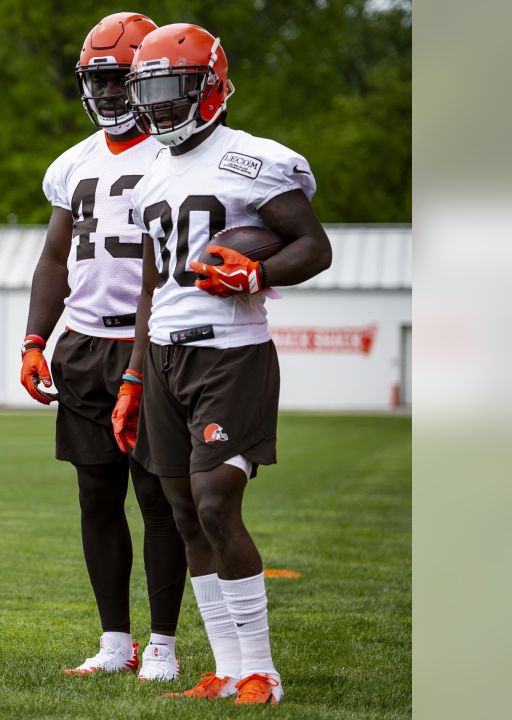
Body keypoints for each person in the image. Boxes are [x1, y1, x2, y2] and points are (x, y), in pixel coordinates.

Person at [111, 24, 332, 704]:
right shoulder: (149, 175)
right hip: (166, 352)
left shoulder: (255, 160)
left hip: (231, 354)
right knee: (183, 514)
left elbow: (313, 246)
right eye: (150, 92)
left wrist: (255, 274)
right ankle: (227, 667)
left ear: (210, 87)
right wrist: (133, 373)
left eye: (174, 90)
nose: (161, 106)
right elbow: (152, 285)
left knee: (214, 502)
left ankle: (262, 669)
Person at [21, 11, 186, 683]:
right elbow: (55, 257)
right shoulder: (74, 162)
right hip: (85, 344)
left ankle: (164, 645)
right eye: (99, 81)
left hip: (152, 341)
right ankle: (114, 640)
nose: (111, 94)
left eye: (121, 80)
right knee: (96, 495)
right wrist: (36, 338)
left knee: (159, 497)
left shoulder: (177, 152)